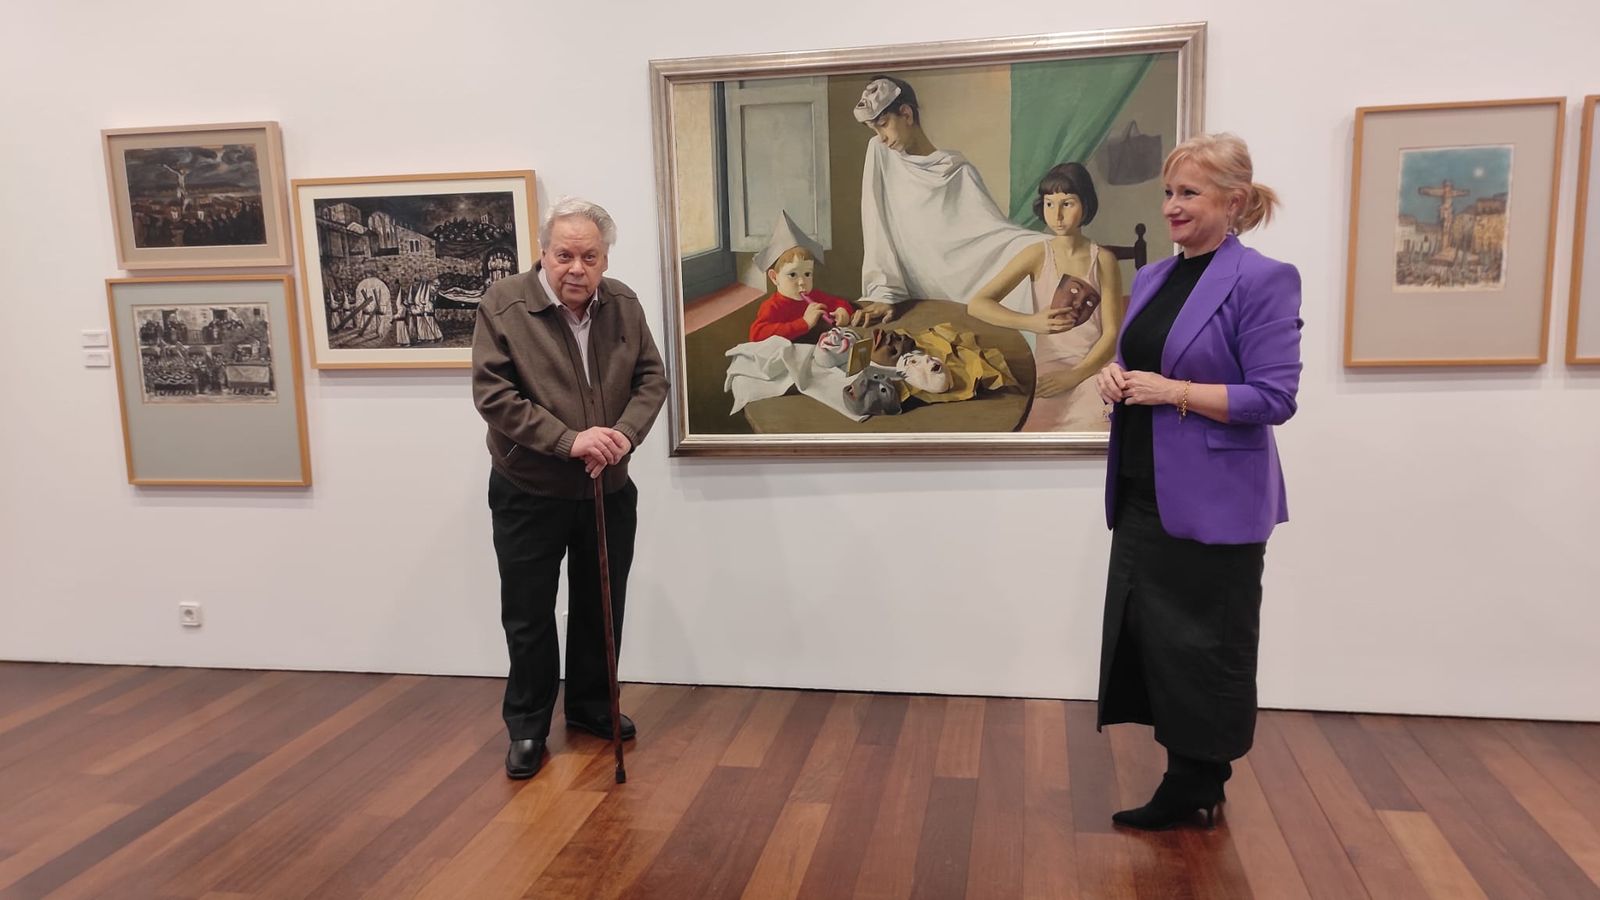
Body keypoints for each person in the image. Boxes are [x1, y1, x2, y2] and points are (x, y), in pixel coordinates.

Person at [1093, 133, 1302, 830]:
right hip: (1143, 489)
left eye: (1189, 193)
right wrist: (1115, 378)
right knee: (1156, 640)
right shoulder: (1153, 278)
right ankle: (1185, 776)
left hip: (1216, 503)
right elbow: (1136, 368)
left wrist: (1172, 390)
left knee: (1207, 644)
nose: (1173, 206)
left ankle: (1197, 785)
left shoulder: (1264, 279)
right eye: (1169, 193)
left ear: (1234, 202)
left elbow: (1273, 398)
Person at [471, 197, 668, 780]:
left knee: (601, 605)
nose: (575, 268)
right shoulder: (502, 305)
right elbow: (495, 396)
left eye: (589, 256)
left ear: (604, 259)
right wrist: (569, 441)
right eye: (564, 255)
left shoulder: (624, 305)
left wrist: (622, 437)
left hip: (607, 487)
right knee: (529, 613)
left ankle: (590, 708)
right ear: (543, 253)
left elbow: (651, 378)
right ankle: (529, 726)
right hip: (528, 487)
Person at [852, 75, 1037, 326]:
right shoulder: (879, 153)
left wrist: (1041, 247)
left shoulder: (960, 171)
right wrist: (884, 293)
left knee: (1042, 251)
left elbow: (991, 234)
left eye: (883, 124)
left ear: (906, 114)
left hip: (964, 273)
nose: (881, 136)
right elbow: (876, 226)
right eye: (874, 129)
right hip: (924, 280)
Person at [967, 162, 1124, 431]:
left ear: (1085, 204)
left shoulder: (1104, 260)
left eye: (1067, 203)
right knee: (1033, 435)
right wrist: (1031, 322)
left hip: (1093, 370)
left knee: (1095, 427)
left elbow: (1111, 336)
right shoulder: (1037, 254)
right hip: (1048, 372)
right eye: (1050, 204)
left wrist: (1075, 376)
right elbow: (977, 305)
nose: (1057, 215)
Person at [747, 210, 855, 343]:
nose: (802, 282)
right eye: (793, 274)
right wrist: (804, 323)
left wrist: (842, 311)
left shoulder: (816, 297)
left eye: (807, 274)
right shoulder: (772, 306)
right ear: (774, 278)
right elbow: (757, 335)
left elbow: (840, 303)